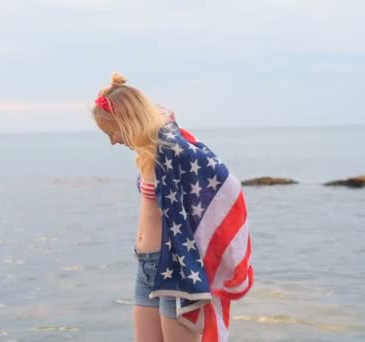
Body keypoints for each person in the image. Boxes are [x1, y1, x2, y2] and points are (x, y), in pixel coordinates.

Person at [90, 73, 253, 342]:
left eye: (111, 132)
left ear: (126, 121)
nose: (113, 141)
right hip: (146, 266)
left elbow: (226, 184)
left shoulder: (172, 150)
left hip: (173, 268)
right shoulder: (145, 152)